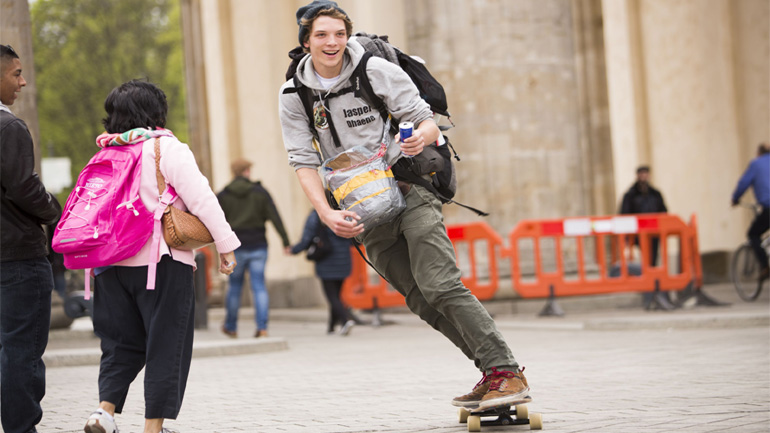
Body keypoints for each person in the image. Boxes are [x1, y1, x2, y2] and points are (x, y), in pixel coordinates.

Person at [279, 0, 530, 410]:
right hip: (362, 206)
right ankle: (492, 372)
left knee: (440, 284)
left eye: (339, 33)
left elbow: (427, 119)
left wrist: (421, 136)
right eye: (321, 35)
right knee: (418, 298)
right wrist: (325, 213)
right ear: (306, 41)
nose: (332, 42)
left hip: (410, 187)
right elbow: (302, 160)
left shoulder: (375, 71)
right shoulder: (294, 94)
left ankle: (507, 371)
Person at [82, 80, 240, 433]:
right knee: (166, 343)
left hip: (108, 266)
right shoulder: (165, 149)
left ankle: (103, 413)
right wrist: (225, 245)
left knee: (120, 343)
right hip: (160, 263)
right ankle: (153, 427)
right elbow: (201, 199)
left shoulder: (102, 154)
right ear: (156, 112)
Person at [0, 43, 62, 433]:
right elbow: (23, 187)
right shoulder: (9, 127)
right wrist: (58, 211)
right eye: (15, 74)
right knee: (21, 350)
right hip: (17, 260)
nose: (23, 82)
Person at [217, 158, 291, 338]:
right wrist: (285, 241)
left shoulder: (223, 195)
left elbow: (217, 222)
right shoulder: (260, 192)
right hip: (259, 245)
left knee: (235, 287)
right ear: (247, 171)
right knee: (258, 286)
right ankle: (262, 328)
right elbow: (275, 216)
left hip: (235, 247)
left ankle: (231, 327)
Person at [291, 209, 355, 335]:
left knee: (332, 296)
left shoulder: (318, 214)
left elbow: (307, 237)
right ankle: (331, 326)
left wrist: (294, 250)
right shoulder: (343, 212)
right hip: (344, 259)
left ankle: (345, 320)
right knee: (336, 294)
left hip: (326, 261)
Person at [732, 143, 770, 280]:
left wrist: (735, 199)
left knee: (753, 234)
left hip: (768, 208)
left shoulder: (756, 164)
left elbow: (743, 183)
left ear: (759, 153)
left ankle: (765, 267)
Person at [620, 165, 668, 266]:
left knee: (653, 255)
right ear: (637, 175)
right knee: (642, 254)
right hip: (637, 232)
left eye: (645, 173)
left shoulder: (655, 194)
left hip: (654, 231)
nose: (643, 176)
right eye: (641, 173)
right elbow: (624, 213)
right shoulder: (630, 195)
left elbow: (663, 211)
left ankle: (652, 272)